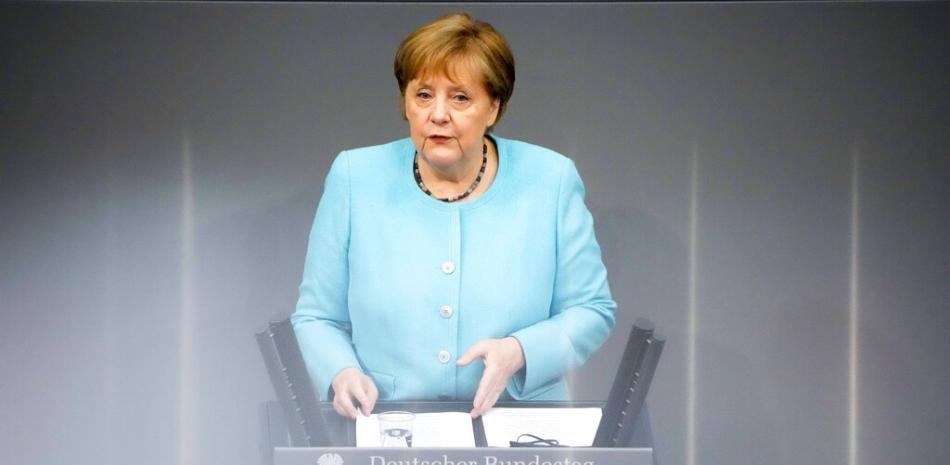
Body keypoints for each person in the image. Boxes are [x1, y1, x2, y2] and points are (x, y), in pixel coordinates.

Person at [291, 12, 616, 420]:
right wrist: (342, 372)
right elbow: (318, 316)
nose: (438, 114)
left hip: (523, 425)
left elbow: (591, 309)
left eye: (460, 98)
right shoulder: (355, 176)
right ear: (405, 103)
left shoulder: (551, 179)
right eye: (423, 95)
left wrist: (520, 351)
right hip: (391, 424)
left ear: (493, 107)